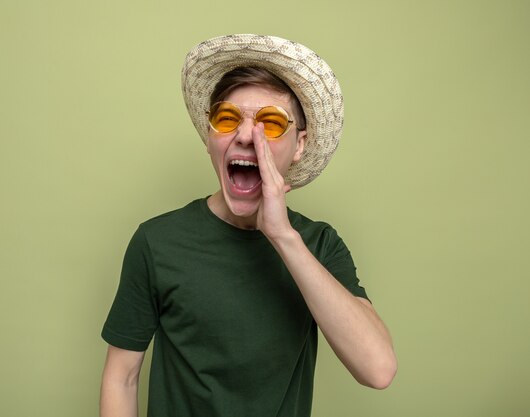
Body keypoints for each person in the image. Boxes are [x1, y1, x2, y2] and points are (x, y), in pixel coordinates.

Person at [99, 34, 397, 417]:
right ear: (210, 138)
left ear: (300, 144)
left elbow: (378, 369)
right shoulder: (156, 242)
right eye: (227, 119)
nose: (244, 136)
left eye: (270, 123)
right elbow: (121, 378)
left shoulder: (319, 245)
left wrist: (282, 235)